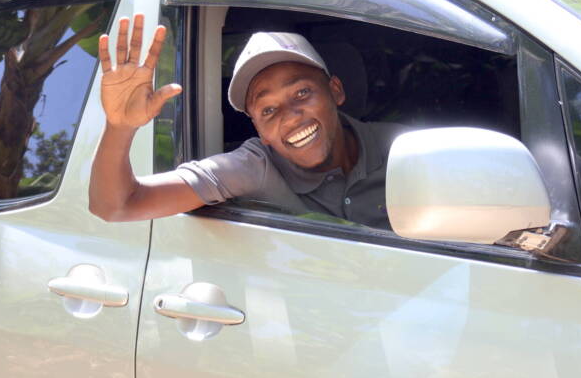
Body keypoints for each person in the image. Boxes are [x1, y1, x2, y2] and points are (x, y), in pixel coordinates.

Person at [88, 14, 404, 229]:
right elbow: (116, 205)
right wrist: (120, 127)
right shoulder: (254, 166)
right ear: (259, 131)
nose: (290, 117)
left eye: (302, 93)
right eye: (268, 110)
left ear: (336, 91)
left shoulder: (404, 151)